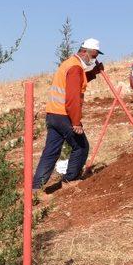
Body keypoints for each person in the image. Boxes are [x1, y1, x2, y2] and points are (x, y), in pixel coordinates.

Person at [33, 38, 105, 193]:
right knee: (81, 146)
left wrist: (94, 72)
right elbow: (72, 97)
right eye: (93, 56)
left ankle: (35, 188)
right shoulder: (75, 68)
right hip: (64, 115)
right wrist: (76, 122)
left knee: (51, 152)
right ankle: (70, 180)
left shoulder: (70, 63)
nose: (94, 59)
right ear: (85, 52)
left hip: (53, 114)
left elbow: (77, 82)